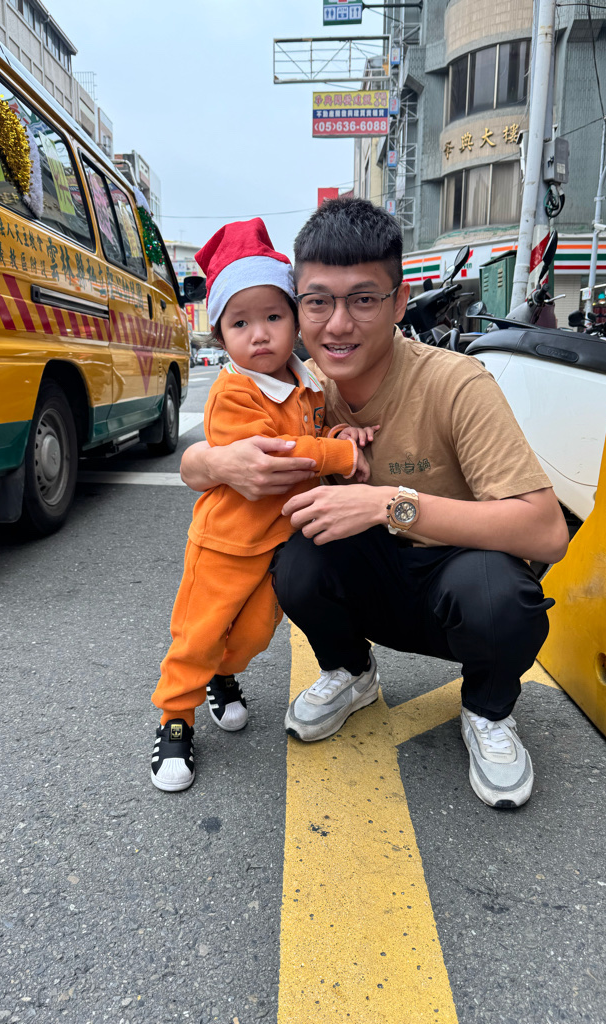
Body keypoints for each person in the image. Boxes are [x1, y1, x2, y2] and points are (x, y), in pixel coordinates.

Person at [180, 198, 569, 809]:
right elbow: (201, 461)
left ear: (399, 301)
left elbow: (547, 532)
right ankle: (350, 672)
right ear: (298, 307)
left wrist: (390, 504)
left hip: (454, 583)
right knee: (295, 558)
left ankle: (488, 710)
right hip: (371, 579)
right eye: (318, 302)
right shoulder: (304, 390)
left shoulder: (456, 383)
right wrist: (213, 463)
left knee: (501, 597)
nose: (338, 325)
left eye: (363, 299)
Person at [151, 218, 373, 792]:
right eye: (240, 323)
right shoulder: (233, 392)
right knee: (198, 634)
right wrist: (339, 455)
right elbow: (280, 455)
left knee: (251, 636)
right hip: (225, 545)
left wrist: (341, 435)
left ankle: (223, 676)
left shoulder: (307, 383)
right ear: (220, 334)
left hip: (278, 543)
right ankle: (175, 719)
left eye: (273, 317)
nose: (259, 335)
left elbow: (314, 433)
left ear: (295, 319)